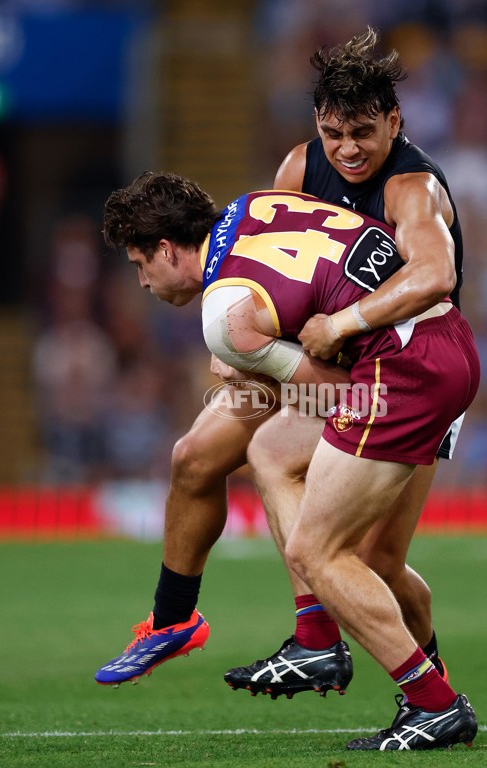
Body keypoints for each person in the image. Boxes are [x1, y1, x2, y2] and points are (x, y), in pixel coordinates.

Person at [94, 28, 457, 699]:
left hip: (397, 365)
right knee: (195, 455)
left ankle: (431, 688)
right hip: (316, 356)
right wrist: (237, 347)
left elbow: (435, 275)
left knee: (375, 558)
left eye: (363, 132)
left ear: (395, 122)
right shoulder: (300, 168)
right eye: (332, 132)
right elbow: (257, 265)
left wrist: (332, 328)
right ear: (315, 125)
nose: (346, 149)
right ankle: (180, 620)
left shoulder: (414, 190)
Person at [99, 171, 480, 751]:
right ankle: (317, 640)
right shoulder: (255, 203)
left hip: (407, 372)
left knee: (318, 551)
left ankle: (436, 706)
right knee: (271, 450)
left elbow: (332, 390)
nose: (143, 282)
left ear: (167, 250)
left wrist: (251, 363)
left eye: (138, 264)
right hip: (446, 333)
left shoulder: (224, 312)